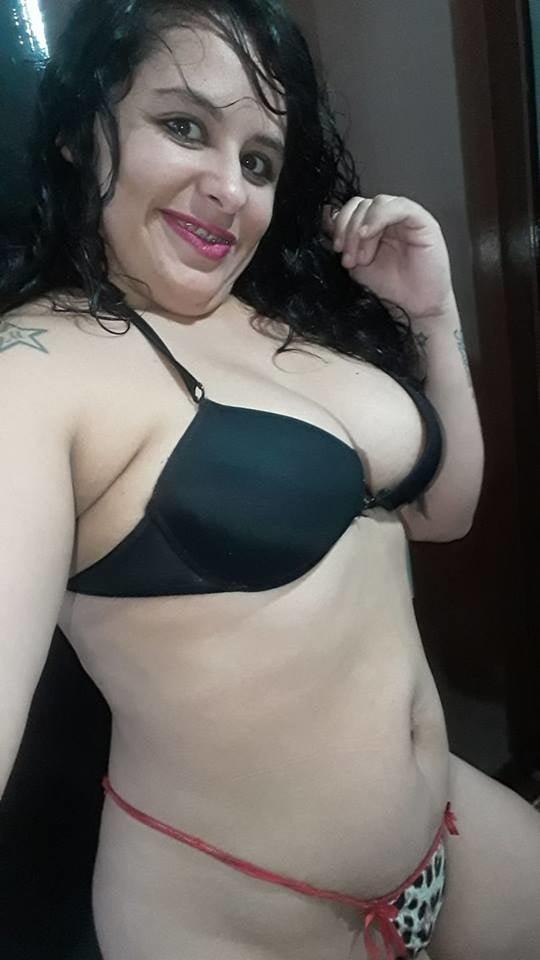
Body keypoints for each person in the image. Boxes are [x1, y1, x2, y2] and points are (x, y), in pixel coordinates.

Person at [1, 1, 539, 958]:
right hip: (237, 920)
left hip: (449, 840)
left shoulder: (283, 321)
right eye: (183, 126)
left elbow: (441, 511)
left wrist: (433, 314)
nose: (228, 188)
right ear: (85, 131)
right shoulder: (35, 371)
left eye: (258, 160)